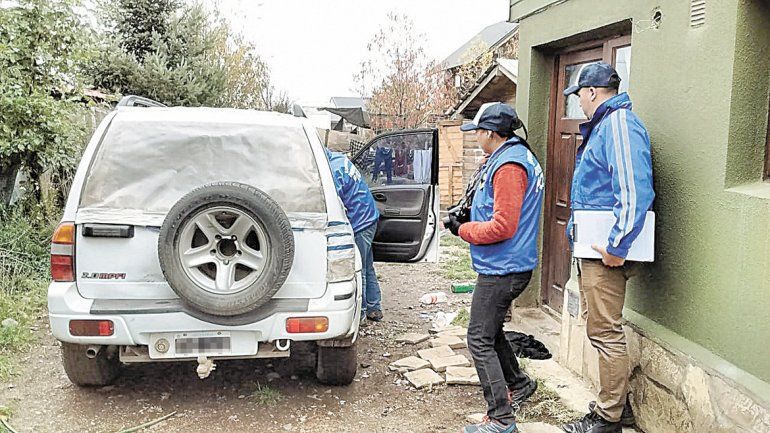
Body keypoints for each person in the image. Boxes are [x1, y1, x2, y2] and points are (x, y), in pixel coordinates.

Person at [560, 63, 654, 433]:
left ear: (593, 92)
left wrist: (617, 246)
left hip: (606, 254)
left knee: (605, 333)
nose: (579, 102)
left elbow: (635, 190)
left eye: (579, 95)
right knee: (601, 329)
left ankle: (607, 420)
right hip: (596, 248)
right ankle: (619, 407)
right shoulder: (607, 125)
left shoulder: (617, 125)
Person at [447, 102, 545, 433]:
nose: (474, 137)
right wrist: (469, 214)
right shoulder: (512, 157)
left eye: (476, 131)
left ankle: (501, 418)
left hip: (505, 266)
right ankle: (518, 383)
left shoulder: (510, 166)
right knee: (490, 330)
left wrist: (463, 230)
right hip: (507, 262)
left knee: (478, 338)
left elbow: (503, 225)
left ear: (490, 133)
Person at [325, 149, 384, 322]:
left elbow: (329, 202)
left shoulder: (333, 172)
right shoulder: (339, 159)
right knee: (367, 265)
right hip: (369, 217)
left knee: (359, 269)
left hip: (359, 223)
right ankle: (374, 307)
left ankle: (362, 312)